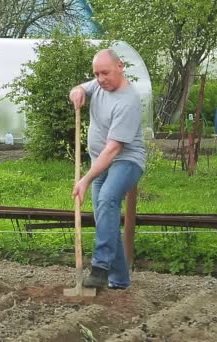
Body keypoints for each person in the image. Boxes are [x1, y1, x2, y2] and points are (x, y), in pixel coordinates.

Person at [69, 48, 146, 289]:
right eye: (97, 74)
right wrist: (78, 91)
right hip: (100, 161)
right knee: (105, 217)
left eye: (105, 73)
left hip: (126, 160)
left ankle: (100, 268)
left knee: (107, 200)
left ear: (120, 67)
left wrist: (85, 179)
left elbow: (113, 150)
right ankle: (120, 280)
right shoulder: (100, 84)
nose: (101, 79)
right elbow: (83, 87)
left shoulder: (128, 101)